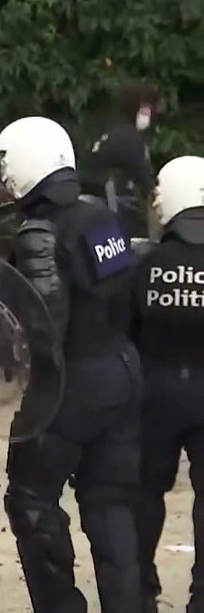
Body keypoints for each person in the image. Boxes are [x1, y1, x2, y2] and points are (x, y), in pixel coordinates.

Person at [0, 116, 141, 612]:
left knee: (30, 500)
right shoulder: (102, 217)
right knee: (111, 505)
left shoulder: (39, 233)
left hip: (69, 385)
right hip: (122, 372)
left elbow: (44, 328)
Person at [132, 155, 204, 612]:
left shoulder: (146, 263)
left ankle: (141, 590)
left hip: (153, 394)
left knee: (143, 495)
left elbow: (125, 329)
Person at [84, 83, 159, 238]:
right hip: (117, 209)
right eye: (144, 108)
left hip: (97, 207)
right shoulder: (130, 138)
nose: (148, 114)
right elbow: (144, 180)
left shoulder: (110, 132)